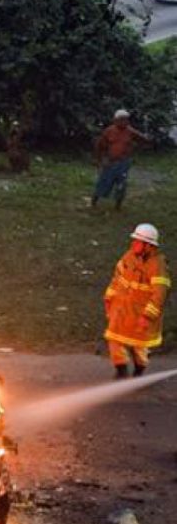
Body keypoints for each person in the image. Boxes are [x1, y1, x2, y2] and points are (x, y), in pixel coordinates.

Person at [103, 224, 171, 378]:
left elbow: (159, 294)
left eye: (138, 241)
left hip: (140, 313)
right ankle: (121, 370)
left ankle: (139, 370)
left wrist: (147, 317)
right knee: (113, 339)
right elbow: (117, 279)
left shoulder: (157, 265)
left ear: (148, 246)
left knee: (138, 346)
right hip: (121, 310)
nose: (134, 244)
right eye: (134, 240)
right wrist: (109, 297)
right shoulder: (128, 257)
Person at [92, 109, 150, 210]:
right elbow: (99, 146)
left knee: (121, 184)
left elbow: (143, 140)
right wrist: (99, 159)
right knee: (104, 182)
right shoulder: (109, 131)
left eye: (126, 120)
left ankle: (118, 206)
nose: (124, 122)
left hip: (123, 162)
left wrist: (144, 141)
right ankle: (94, 201)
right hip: (110, 161)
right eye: (121, 120)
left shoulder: (130, 131)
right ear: (116, 120)